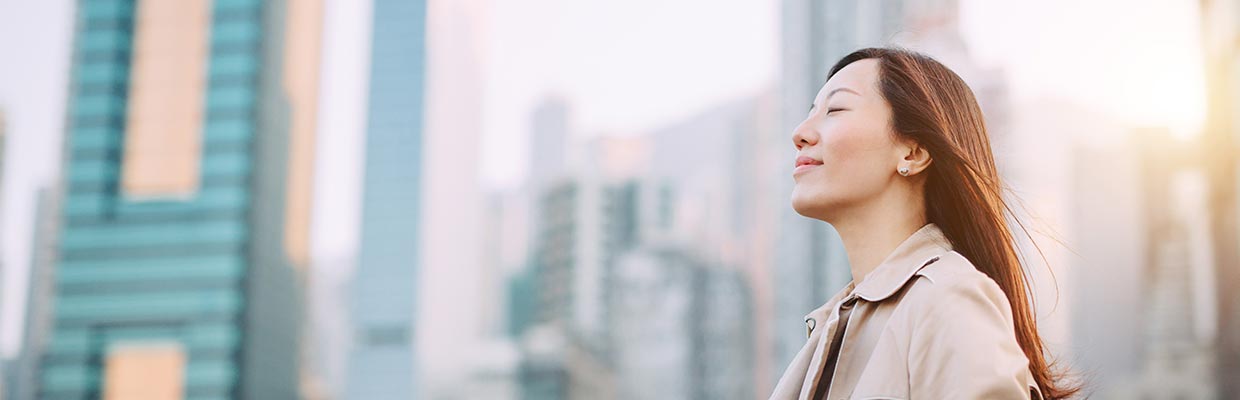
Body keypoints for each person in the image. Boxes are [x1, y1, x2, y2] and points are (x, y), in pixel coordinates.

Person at [770, 47, 1078, 400]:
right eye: (811, 112)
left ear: (913, 153)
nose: (800, 132)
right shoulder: (835, 324)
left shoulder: (947, 298)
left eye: (835, 109)